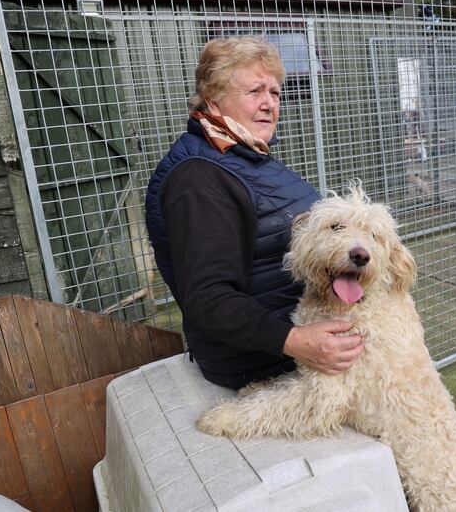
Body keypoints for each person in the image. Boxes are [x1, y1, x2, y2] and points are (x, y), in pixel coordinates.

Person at [145, 36, 364, 389]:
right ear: (214, 100)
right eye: (255, 91)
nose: (269, 104)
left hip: (302, 338)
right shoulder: (199, 179)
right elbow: (209, 297)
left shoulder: (245, 156)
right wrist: (295, 341)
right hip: (261, 364)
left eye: (276, 93)